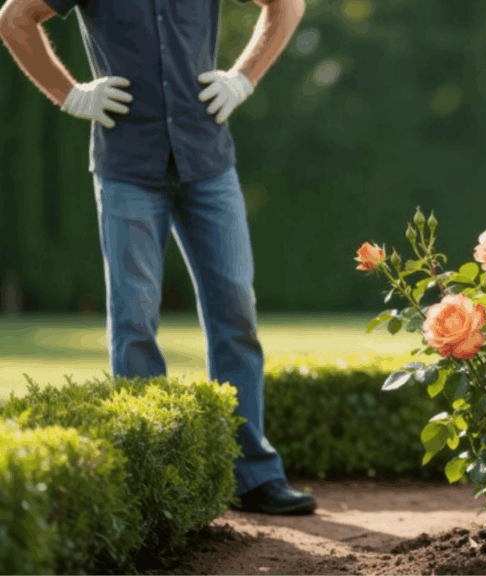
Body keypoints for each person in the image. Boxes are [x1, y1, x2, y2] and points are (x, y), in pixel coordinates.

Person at [0, 0, 315, 515]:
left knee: (235, 311)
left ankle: (252, 475)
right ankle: (152, 484)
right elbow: (14, 17)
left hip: (207, 159)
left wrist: (242, 79)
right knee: (134, 320)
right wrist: (71, 96)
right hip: (127, 163)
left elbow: (287, 5)